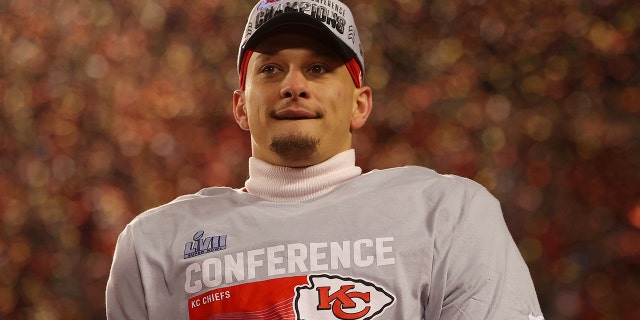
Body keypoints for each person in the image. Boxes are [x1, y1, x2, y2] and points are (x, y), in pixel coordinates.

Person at [106, 0, 545, 319]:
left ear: (360, 104)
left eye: (318, 68)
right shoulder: (153, 245)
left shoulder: (450, 215)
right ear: (241, 106)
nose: (294, 86)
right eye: (271, 69)